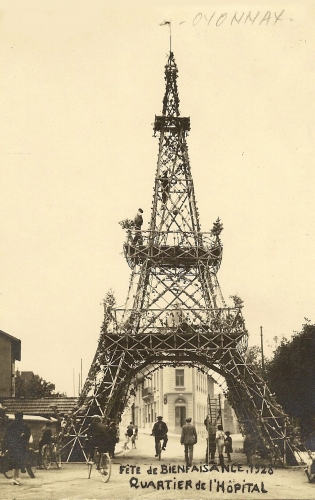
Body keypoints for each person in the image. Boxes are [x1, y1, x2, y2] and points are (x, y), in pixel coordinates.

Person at [2, 411, 31, 485]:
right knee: (18, 461)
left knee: (15, 461)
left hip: (12, 446)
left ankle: (16, 477)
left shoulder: (11, 425)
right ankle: (15, 477)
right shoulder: (23, 425)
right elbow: (28, 434)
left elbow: (6, 437)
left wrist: (4, 447)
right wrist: (24, 437)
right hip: (20, 446)